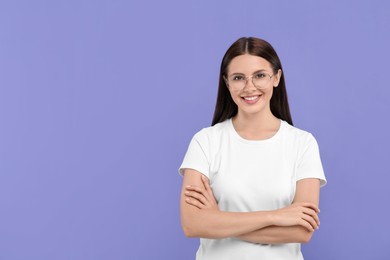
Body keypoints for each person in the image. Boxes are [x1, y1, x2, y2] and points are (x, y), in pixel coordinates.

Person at [178, 37, 326, 260]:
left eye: (260, 75)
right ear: (227, 82)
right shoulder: (205, 141)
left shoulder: (302, 144)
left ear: (276, 77)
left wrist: (218, 220)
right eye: (238, 78)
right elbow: (192, 224)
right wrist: (275, 217)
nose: (250, 87)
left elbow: (300, 231)